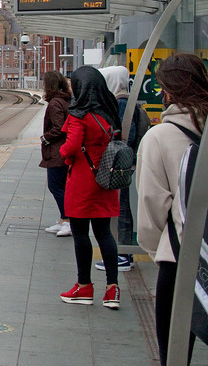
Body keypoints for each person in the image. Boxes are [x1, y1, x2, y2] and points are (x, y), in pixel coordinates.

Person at [137, 53, 208, 365]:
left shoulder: (159, 136)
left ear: (168, 90)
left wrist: (159, 250)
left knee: (175, 354)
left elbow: (152, 205)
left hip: (180, 260)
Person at [58, 65, 122, 309]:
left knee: (81, 233)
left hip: (83, 181)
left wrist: (64, 155)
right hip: (105, 179)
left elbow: (71, 146)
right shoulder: (110, 110)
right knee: (104, 233)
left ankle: (84, 287)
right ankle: (112, 289)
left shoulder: (78, 114)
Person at [95, 66, 146, 273]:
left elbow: (126, 135)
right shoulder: (123, 101)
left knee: (121, 208)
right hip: (123, 163)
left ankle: (123, 255)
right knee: (121, 207)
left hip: (120, 165)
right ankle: (123, 253)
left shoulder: (122, 103)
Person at [39, 71, 72, 237]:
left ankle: (67, 221)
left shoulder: (55, 104)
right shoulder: (65, 100)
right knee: (62, 186)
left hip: (57, 152)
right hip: (62, 151)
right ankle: (62, 220)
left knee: (55, 186)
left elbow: (59, 127)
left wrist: (45, 138)